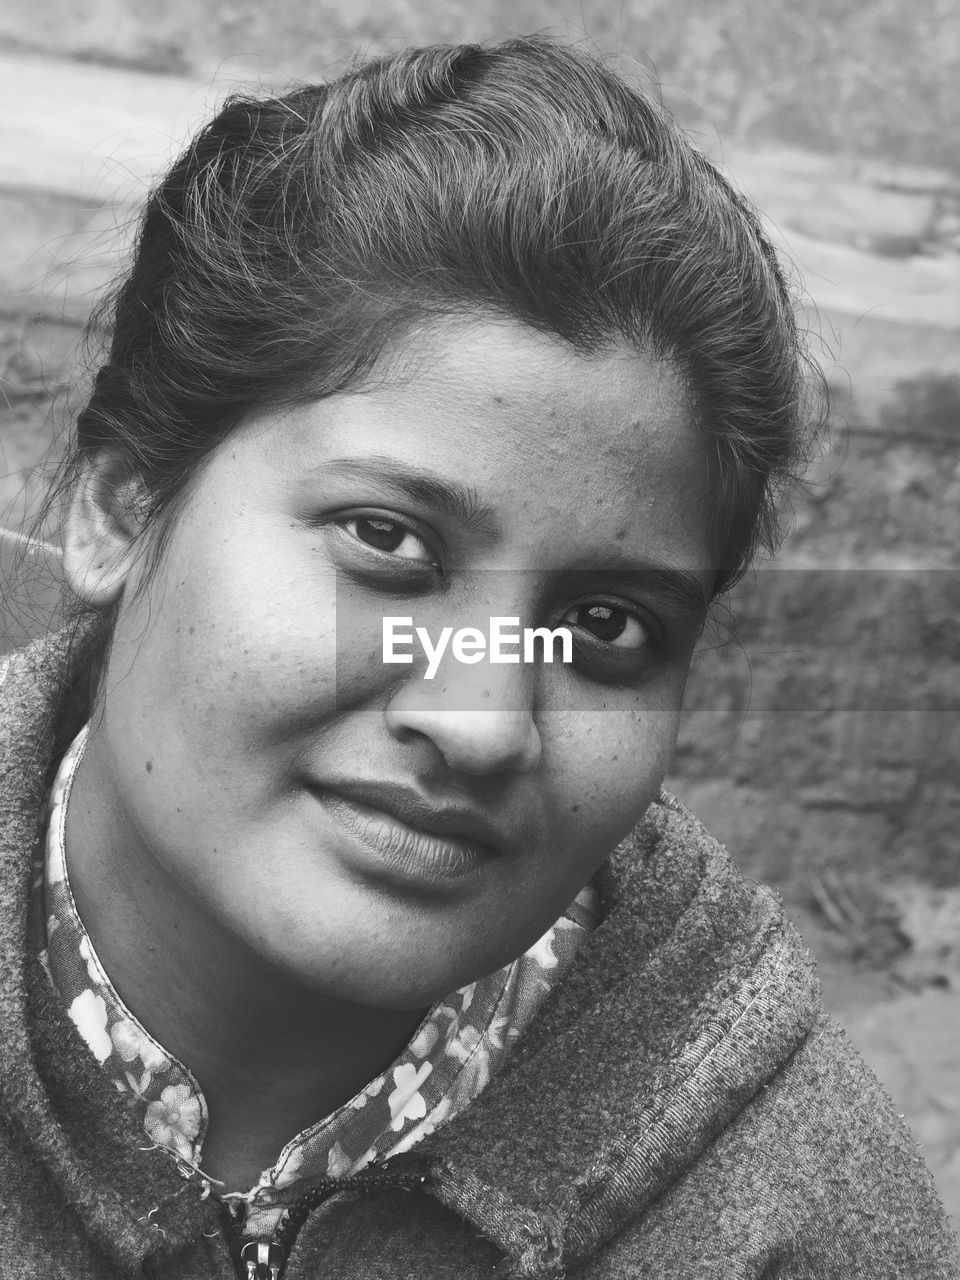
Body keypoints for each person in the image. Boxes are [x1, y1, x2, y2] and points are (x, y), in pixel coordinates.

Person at [0, 35, 955, 1280]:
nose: (485, 718)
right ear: (121, 509)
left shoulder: (799, 1225)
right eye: (387, 540)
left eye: (608, 624)